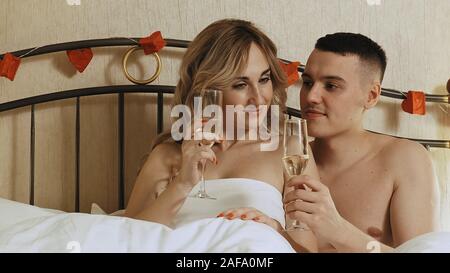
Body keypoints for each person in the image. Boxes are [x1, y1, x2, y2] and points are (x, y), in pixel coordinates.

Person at [124, 19, 319, 245]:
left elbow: (307, 250)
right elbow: (128, 240)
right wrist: (182, 184)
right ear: (208, 90)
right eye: (240, 84)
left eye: (264, 79)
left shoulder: (290, 147)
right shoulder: (167, 156)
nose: (259, 97)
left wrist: (275, 229)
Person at [283, 32, 440, 252]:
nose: (311, 97)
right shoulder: (289, 161)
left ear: (371, 96)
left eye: (331, 86)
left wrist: (339, 231)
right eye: (308, 82)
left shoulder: (404, 159)